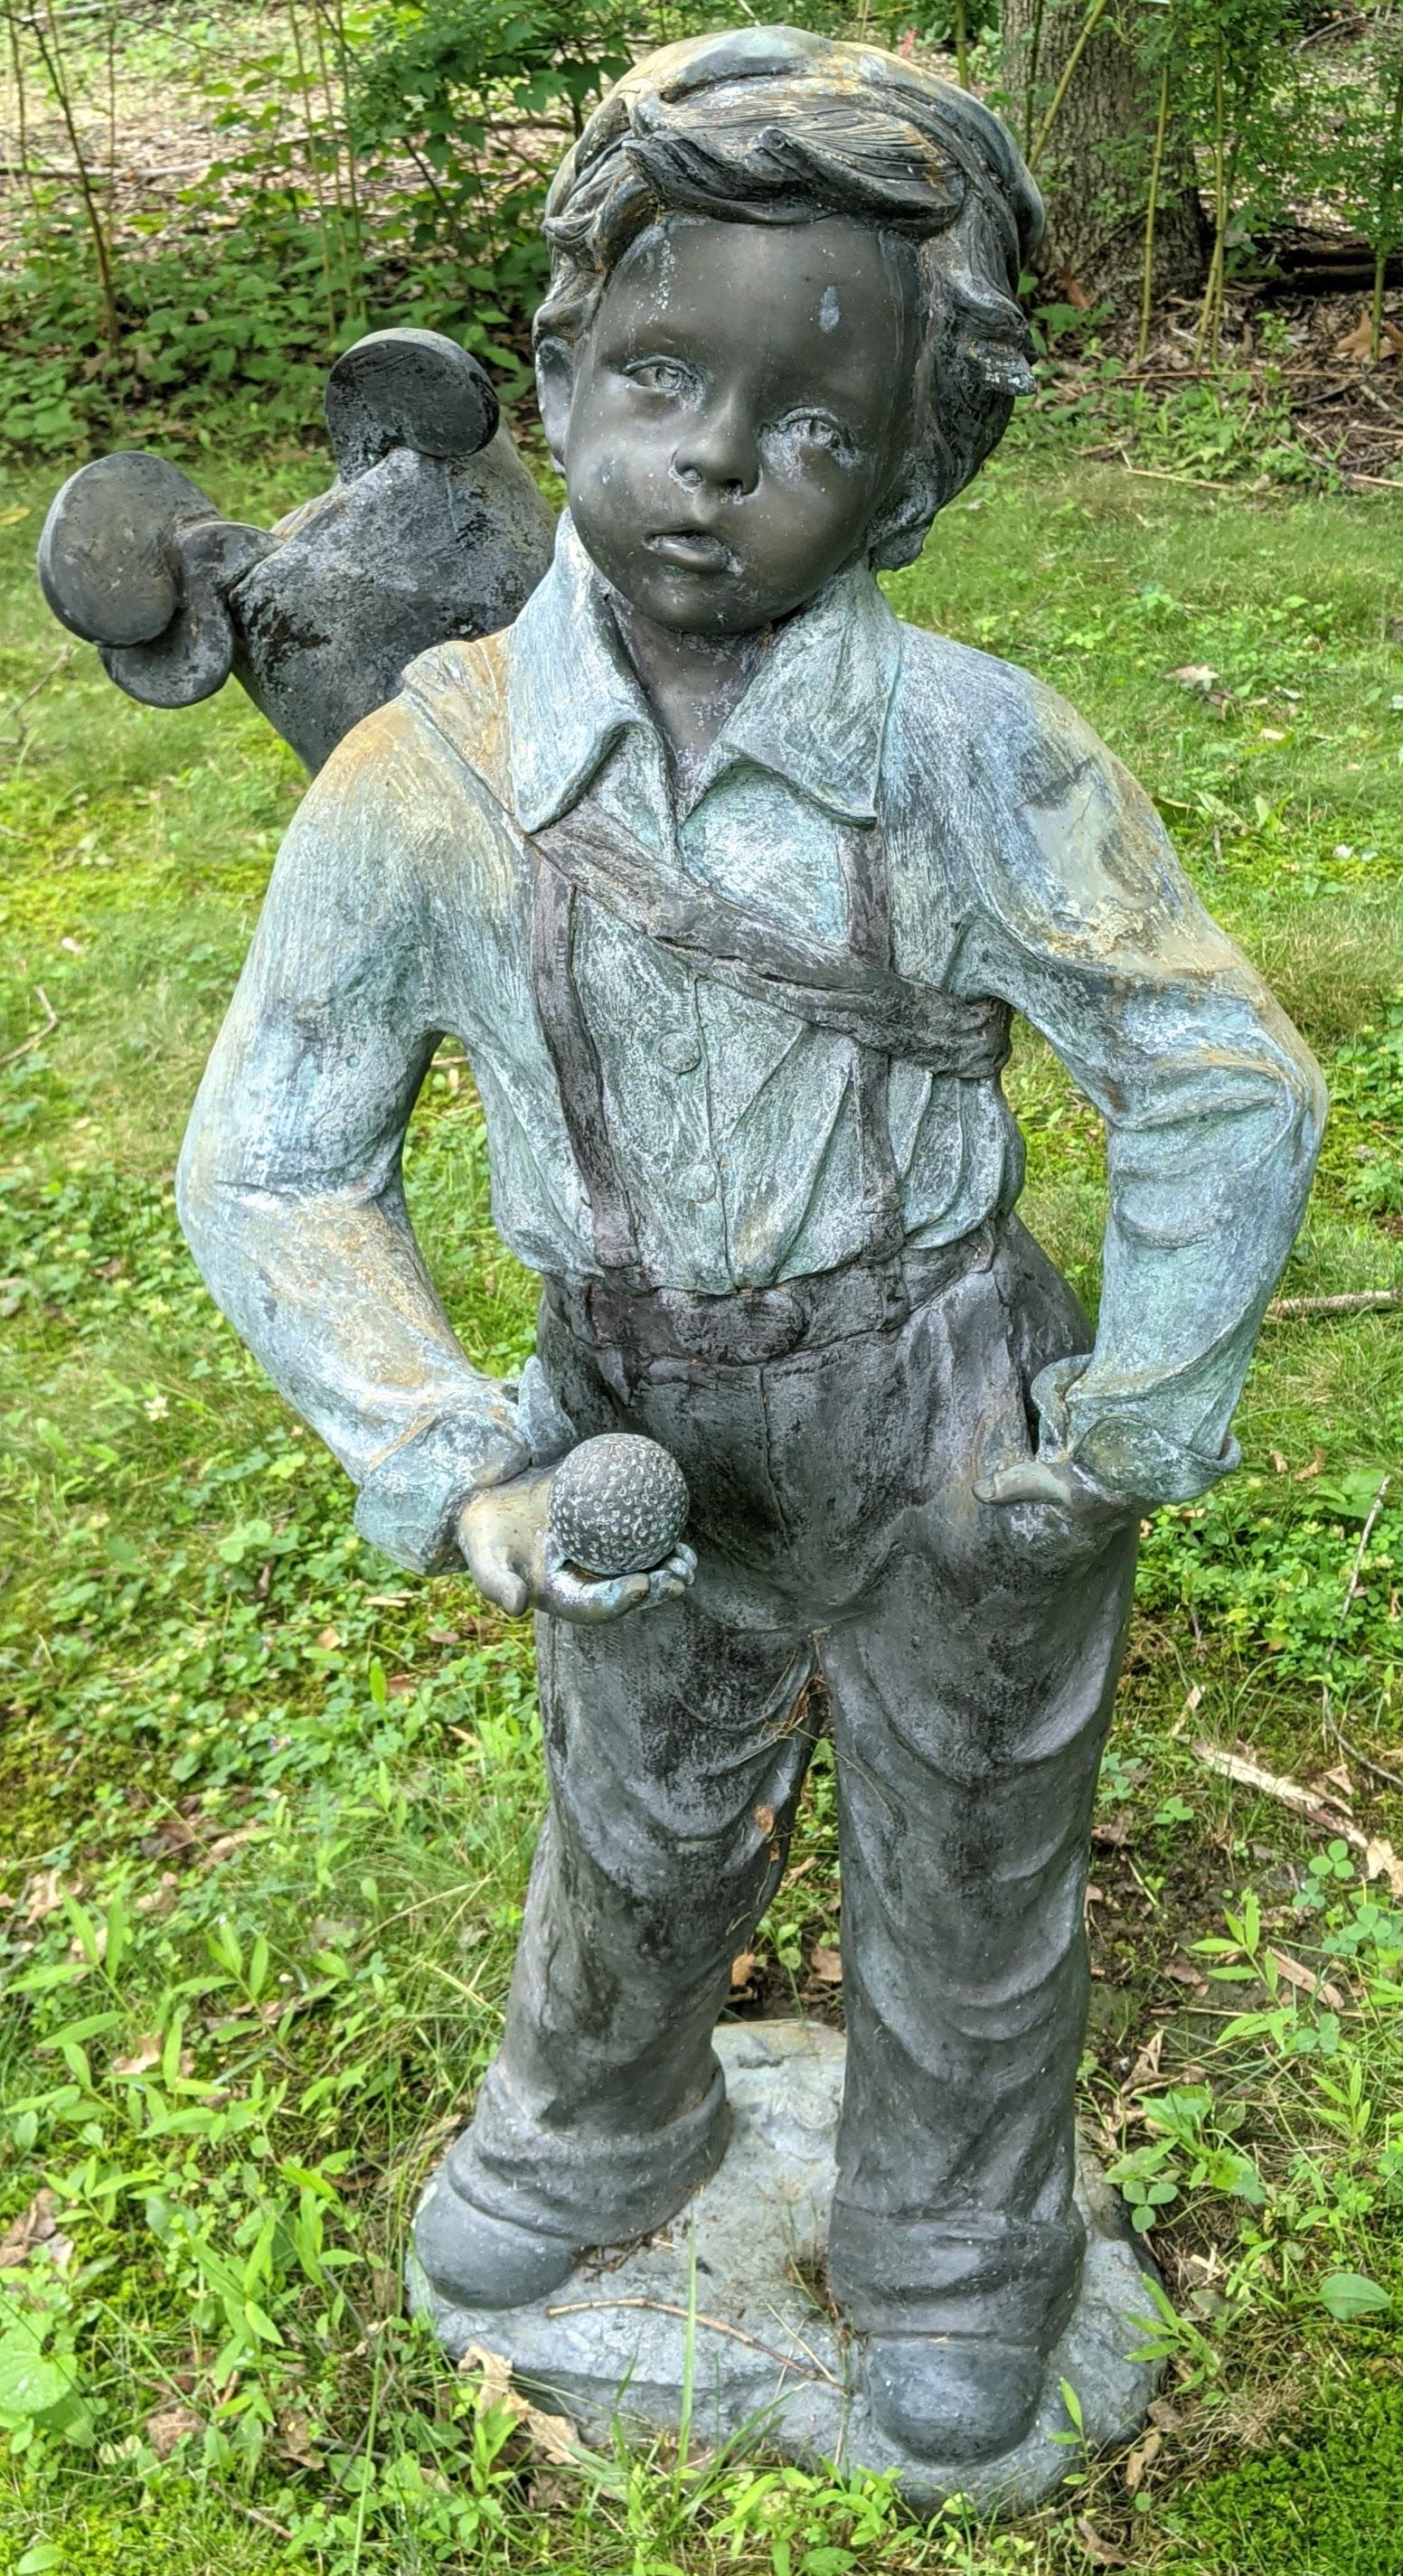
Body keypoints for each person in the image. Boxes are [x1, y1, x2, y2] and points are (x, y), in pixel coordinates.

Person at [177, 25, 1325, 2466]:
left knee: (970, 1841)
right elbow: (273, 1154)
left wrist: (1129, 1417)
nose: (714, 459)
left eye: (813, 424)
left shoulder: (979, 756)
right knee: (636, 1812)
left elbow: (1217, 1068)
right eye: (663, 376)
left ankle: (953, 2240)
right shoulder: (427, 779)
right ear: (556, 372)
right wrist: (460, 1453)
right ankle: (593, 2128)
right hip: (627, 1411)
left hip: (943, 1398)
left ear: (917, 473)